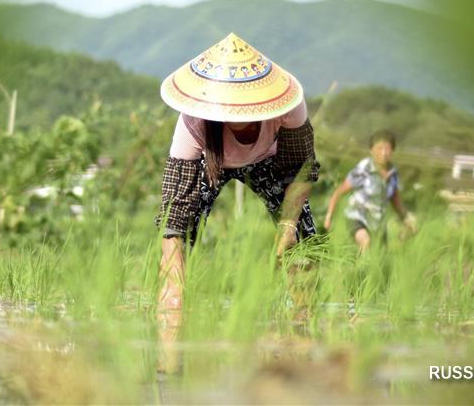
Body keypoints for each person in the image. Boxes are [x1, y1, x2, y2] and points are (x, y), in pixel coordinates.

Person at [155, 33, 321, 373]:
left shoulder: (288, 106)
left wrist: (288, 226)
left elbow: (300, 170)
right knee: (179, 239)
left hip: (271, 163)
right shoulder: (194, 121)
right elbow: (175, 211)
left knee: (303, 239)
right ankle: (168, 363)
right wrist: (173, 290)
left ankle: (303, 319)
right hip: (209, 165)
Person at [323, 129, 416, 252]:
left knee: (381, 260)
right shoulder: (364, 169)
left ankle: (357, 267)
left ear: (392, 150)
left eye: (387, 149)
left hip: (377, 222)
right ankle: (359, 271)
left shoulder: (393, 173)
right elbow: (339, 192)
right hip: (357, 217)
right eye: (379, 148)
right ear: (371, 150)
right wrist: (329, 217)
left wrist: (407, 219)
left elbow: (395, 200)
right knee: (365, 241)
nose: (383, 153)